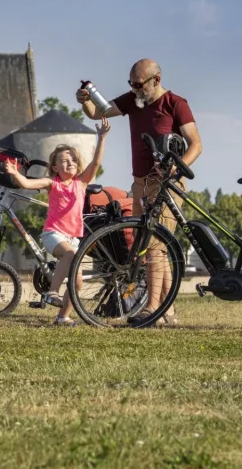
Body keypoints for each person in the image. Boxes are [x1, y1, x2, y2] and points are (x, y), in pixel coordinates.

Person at [76, 58, 203, 326]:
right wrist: (85, 100)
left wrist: (177, 169)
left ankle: (153, 308)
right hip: (139, 183)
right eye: (130, 84)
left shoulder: (176, 104)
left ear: (156, 79)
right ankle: (167, 311)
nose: (134, 89)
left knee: (155, 247)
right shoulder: (134, 100)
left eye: (139, 84)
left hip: (166, 184)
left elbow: (196, 145)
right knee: (152, 247)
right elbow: (99, 112)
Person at [4, 117, 111, 326]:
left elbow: (96, 162)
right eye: (64, 160)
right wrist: (14, 173)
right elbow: (27, 183)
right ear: (54, 167)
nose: (69, 162)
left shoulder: (81, 183)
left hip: (74, 239)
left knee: (77, 282)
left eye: (72, 159)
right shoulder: (52, 184)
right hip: (53, 234)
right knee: (70, 255)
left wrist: (102, 138)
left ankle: (62, 317)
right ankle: (51, 292)